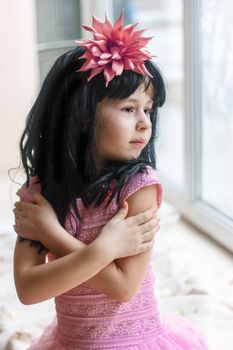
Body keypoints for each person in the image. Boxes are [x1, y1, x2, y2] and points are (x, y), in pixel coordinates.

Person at [13, 12, 208, 350]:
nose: (145, 123)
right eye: (128, 109)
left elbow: (123, 286)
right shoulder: (43, 194)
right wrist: (105, 249)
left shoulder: (139, 187)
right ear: (83, 116)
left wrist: (52, 233)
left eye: (148, 109)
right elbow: (28, 290)